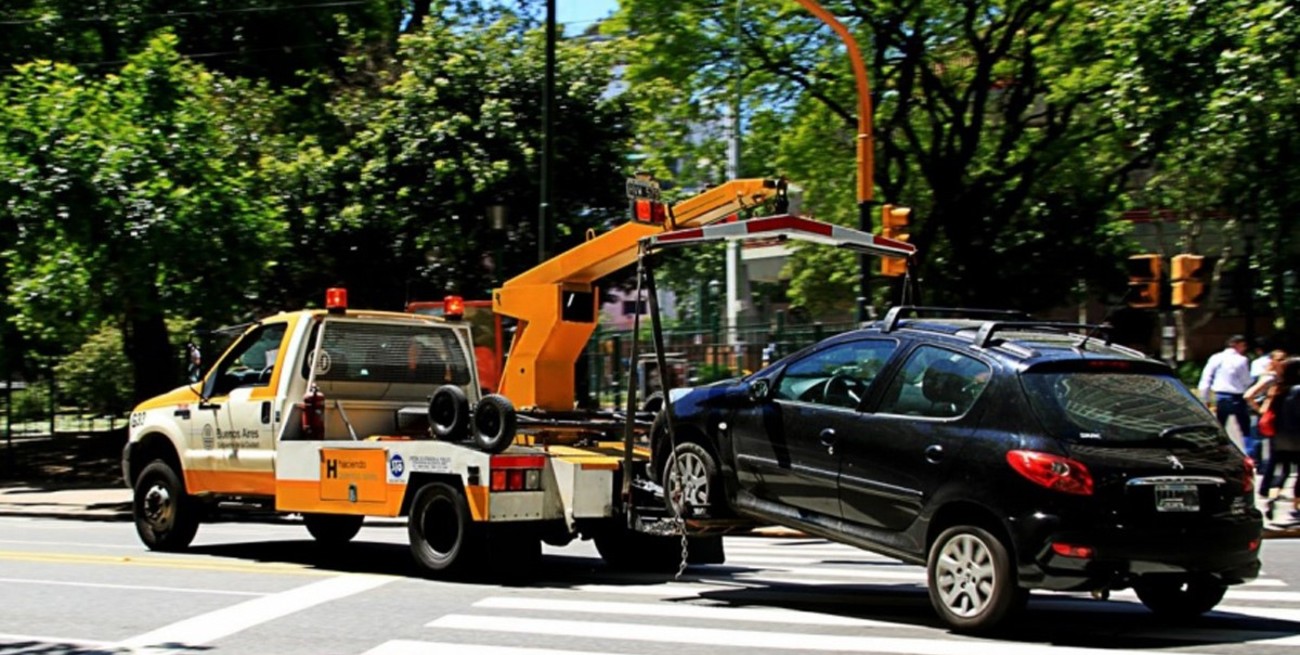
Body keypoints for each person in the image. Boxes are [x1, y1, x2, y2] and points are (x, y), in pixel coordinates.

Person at [1261, 357, 1300, 522]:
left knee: (1283, 472)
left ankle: (1272, 499)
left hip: (1279, 438)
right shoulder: (1298, 390)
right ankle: (1296, 507)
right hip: (1297, 438)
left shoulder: (1279, 389)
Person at [1197, 335, 1253, 441]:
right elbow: (1246, 380)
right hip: (1237, 397)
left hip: (1221, 396)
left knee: (1220, 427)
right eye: (1243, 345)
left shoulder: (1215, 358)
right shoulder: (1241, 360)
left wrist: (1205, 398)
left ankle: (1219, 449)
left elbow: (1206, 378)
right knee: (1245, 429)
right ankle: (1250, 454)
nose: (1245, 348)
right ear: (1236, 345)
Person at [1245, 349, 1289, 463]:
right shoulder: (1269, 377)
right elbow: (1248, 395)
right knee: (1258, 439)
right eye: (1279, 359)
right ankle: (1257, 464)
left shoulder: (1282, 376)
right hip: (1262, 411)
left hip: (1272, 412)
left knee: (1271, 441)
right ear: (1272, 361)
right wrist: (1259, 410)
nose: (1283, 362)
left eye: (1285, 358)